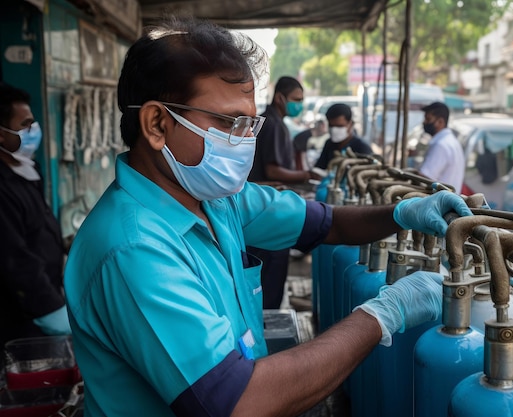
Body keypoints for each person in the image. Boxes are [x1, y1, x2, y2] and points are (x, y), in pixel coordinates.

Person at [63, 17, 473, 417]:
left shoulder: (217, 201)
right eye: (228, 122)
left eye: (250, 123)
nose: (245, 141)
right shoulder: (132, 249)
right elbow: (239, 402)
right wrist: (383, 314)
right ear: (157, 124)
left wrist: (404, 213)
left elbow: (325, 223)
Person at [0, 82, 71, 348]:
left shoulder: (29, 171)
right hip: (21, 315)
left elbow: (37, 228)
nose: (34, 130)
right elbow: (15, 259)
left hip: (46, 294)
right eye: (25, 125)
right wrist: (53, 311)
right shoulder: (4, 186)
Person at [247, 76, 322, 309]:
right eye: (295, 100)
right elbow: (272, 169)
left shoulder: (277, 123)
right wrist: (305, 175)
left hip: (266, 207)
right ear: (280, 98)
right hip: (266, 208)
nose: (299, 104)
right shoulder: (272, 124)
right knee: (270, 276)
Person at [417, 101, 465, 193]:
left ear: (440, 122)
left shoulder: (441, 145)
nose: (424, 122)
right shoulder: (451, 141)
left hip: (439, 203)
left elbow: (425, 178)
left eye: (428, 119)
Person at [314, 103, 373, 170]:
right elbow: (319, 169)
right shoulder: (329, 144)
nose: (334, 130)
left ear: (350, 124)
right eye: (331, 126)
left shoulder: (362, 147)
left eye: (339, 126)